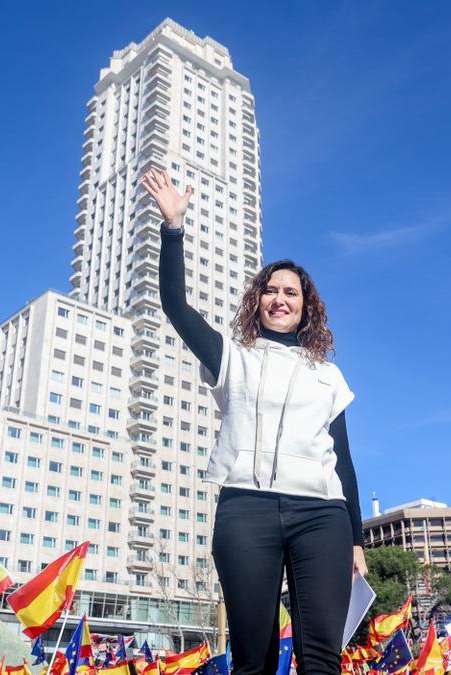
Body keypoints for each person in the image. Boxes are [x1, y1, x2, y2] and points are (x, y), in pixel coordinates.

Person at [141, 167, 367, 675]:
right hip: (246, 511)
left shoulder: (329, 375)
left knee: (321, 658)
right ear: (258, 301)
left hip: (322, 516)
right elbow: (175, 308)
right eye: (270, 290)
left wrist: (356, 540)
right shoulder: (230, 356)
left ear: (306, 307)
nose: (279, 298)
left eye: (291, 292)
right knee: (252, 659)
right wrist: (173, 226)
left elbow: (344, 461)